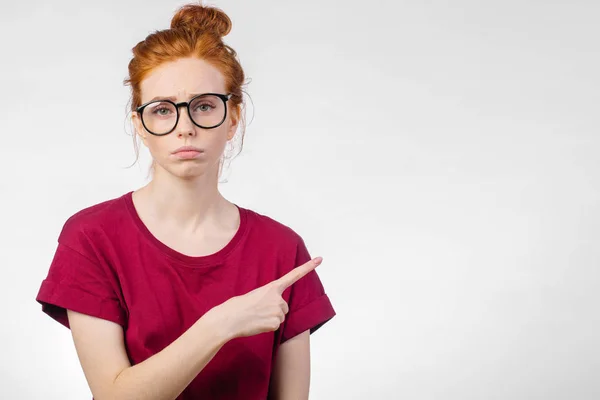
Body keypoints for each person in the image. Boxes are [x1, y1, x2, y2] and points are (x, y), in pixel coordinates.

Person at [35, 3, 336, 400]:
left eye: (205, 106)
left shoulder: (281, 249)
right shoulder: (91, 237)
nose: (186, 128)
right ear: (140, 124)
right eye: (163, 110)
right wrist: (221, 324)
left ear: (232, 119)